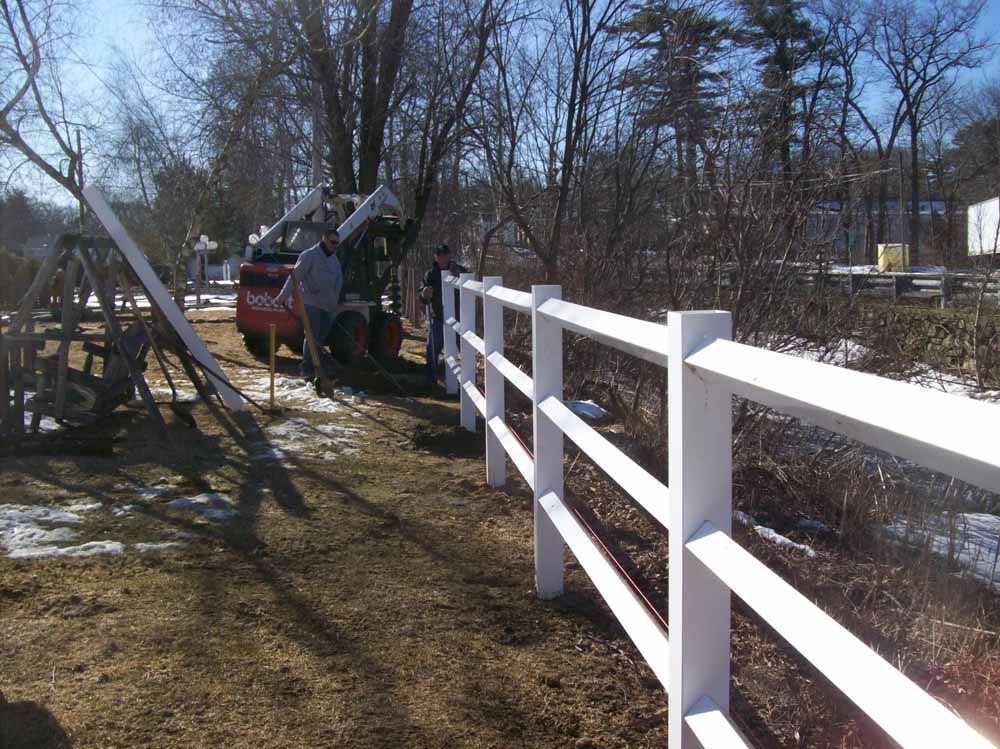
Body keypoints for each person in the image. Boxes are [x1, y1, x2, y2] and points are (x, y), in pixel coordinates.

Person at [276, 225, 343, 381]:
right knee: (313, 338)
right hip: (312, 304)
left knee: (319, 340)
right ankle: (307, 370)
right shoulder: (309, 256)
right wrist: (282, 296)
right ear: (324, 240)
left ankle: (321, 367)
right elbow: (294, 277)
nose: (335, 246)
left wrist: (335, 301)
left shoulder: (334, 259)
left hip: (328, 306)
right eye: (333, 242)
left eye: (337, 243)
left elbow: (338, 281)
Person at [420, 243, 467, 385]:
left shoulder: (459, 271)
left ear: (449, 256)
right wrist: (424, 293)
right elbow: (421, 293)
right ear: (436, 257)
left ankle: (468, 381)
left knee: (465, 350)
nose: (442, 258)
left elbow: (469, 287)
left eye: (445, 255)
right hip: (438, 317)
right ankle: (431, 380)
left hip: (459, 317)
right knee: (432, 349)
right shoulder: (430, 274)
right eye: (440, 256)